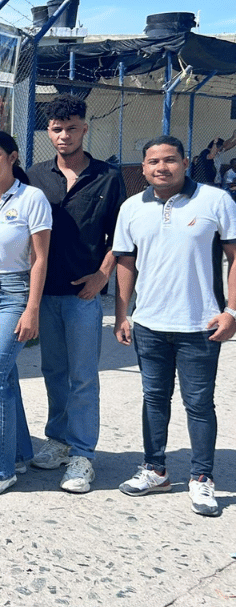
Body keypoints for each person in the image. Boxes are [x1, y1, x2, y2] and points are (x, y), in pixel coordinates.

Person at [113, 135, 236, 517]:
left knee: (199, 404)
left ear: (185, 162)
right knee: (154, 399)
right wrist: (122, 314)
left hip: (201, 324)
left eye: (169, 160)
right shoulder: (132, 207)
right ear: (144, 166)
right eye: (152, 162)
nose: (160, 168)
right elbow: (125, 263)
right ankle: (155, 469)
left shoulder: (216, 201)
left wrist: (232, 311)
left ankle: (202, 479)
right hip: (149, 323)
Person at [26, 94, 127, 493]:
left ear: (85, 128)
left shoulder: (109, 176)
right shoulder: (34, 176)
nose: (64, 135)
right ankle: (58, 440)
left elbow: (122, 235)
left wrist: (103, 276)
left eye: (71, 128)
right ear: (48, 132)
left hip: (85, 294)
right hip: (45, 293)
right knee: (53, 371)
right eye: (56, 129)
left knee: (84, 376)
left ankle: (83, 455)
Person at [0, 131, 51, 496]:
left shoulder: (32, 198)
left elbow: (40, 259)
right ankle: (16, 453)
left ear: (13, 157)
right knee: (3, 377)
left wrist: (32, 308)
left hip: (13, 293)